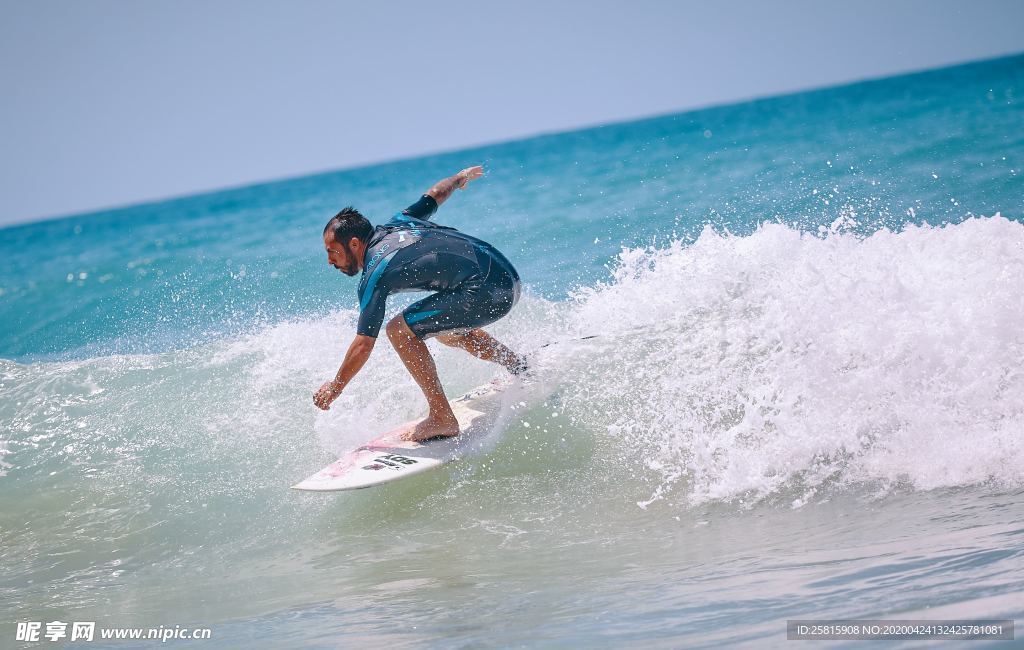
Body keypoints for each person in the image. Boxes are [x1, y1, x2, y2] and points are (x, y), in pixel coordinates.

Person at [313, 165, 527, 441]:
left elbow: (364, 343)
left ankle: (441, 417)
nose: (330, 261)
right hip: (508, 279)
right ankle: (518, 365)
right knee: (444, 331)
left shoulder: (375, 273)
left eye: (333, 252)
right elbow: (436, 193)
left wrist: (335, 387)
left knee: (399, 331)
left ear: (354, 244)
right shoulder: (399, 221)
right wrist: (459, 178)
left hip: (487, 293)